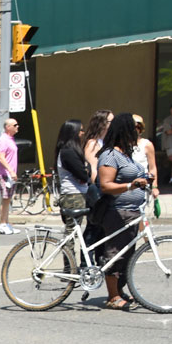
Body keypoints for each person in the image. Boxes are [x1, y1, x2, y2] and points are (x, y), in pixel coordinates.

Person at [96, 113, 154, 309]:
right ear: (124, 130)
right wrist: (131, 185)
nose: (136, 132)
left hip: (132, 211)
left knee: (127, 254)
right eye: (133, 128)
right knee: (115, 253)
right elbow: (105, 185)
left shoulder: (125, 154)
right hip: (117, 211)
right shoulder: (110, 155)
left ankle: (120, 290)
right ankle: (112, 296)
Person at [54, 119, 90, 228]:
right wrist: (88, 167)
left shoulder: (71, 150)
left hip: (77, 194)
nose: (83, 133)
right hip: (73, 196)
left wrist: (87, 168)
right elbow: (83, 175)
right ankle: (65, 246)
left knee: (75, 230)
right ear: (73, 132)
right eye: (81, 130)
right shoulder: (68, 152)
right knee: (72, 231)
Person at [0, 118, 20, 234]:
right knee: (5, 198)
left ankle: (6, 222)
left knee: (8, 198)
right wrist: (10, 171)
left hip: (9, 175)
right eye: (15, 125)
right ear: (8, 127)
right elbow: (1, 157)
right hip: (3, 174)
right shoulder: (3, 140)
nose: (17, 127)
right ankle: (2, 224)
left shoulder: (11, 139)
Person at [83, 109, 113, 184]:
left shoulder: (107, 142)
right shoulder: (93, 144)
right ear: (102, 124)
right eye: (111, 122)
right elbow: (93, 169)